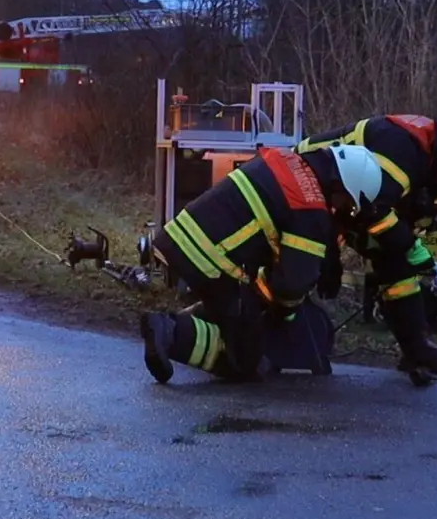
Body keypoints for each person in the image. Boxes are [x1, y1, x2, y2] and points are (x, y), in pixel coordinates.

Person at [138, 144, 386, 384]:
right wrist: (285, 313)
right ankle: (170, 332)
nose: (344, 210)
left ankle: (176, 326)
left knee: (239, 313)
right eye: (348, 204)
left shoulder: (290, 162)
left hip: (184, 240)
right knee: (247, 359)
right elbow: (292, 284)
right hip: (212, 260)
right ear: (342, 186)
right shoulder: (310, 210)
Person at [296, 115, 437, 376]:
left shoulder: (435, 171)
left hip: (346, 202)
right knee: (312, 267)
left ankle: (417, 350)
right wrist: (409, 246)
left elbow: (411, 221)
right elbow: (373, 208)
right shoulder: (400, 146)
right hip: (308, 185)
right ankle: (273, 326)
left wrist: (415, 252)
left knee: (398, 265)